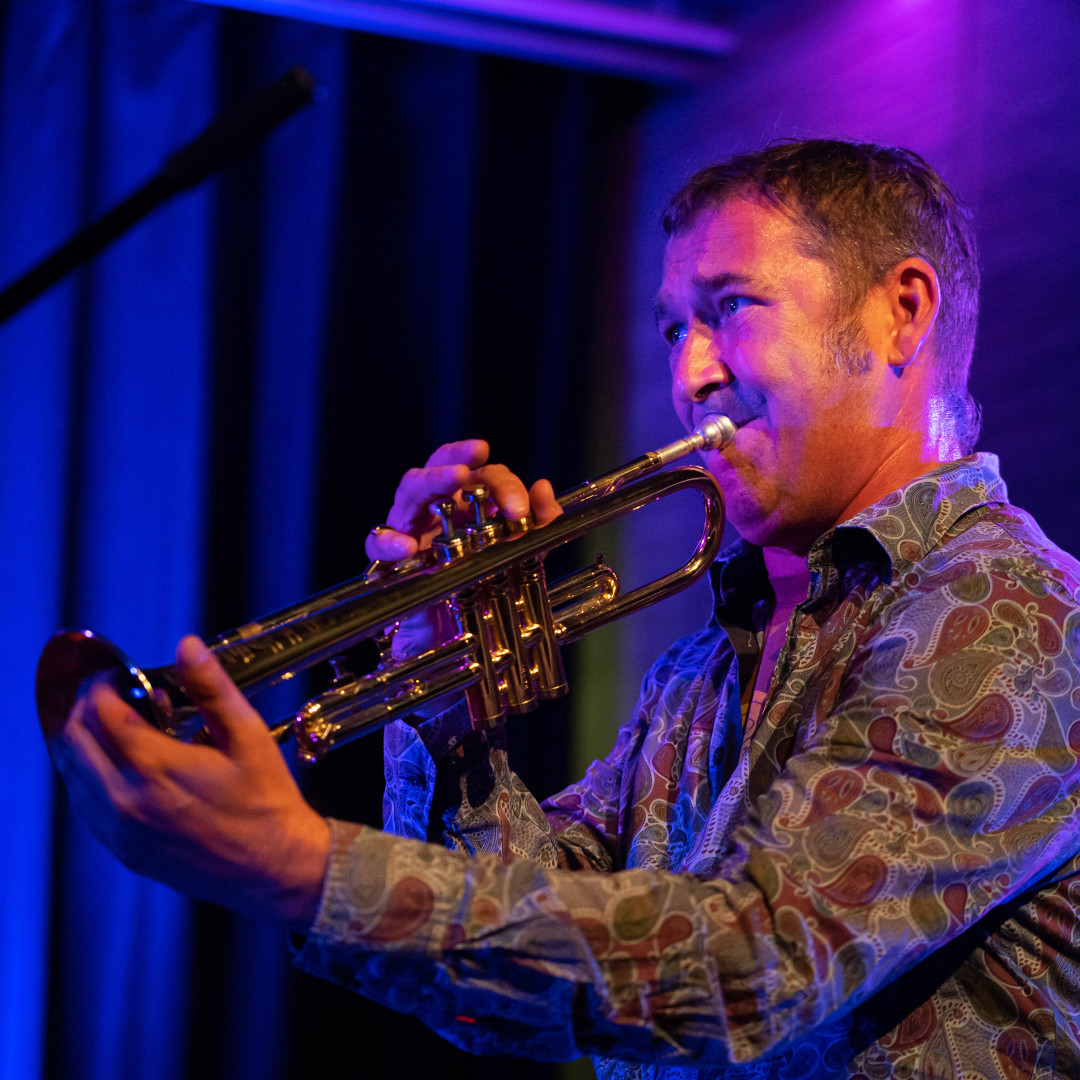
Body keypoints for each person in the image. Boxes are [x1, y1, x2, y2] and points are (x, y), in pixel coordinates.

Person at [49, 140, 1080, 1078]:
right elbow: (529, 981)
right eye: (674, 326)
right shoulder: (700, 670)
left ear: (899, 312)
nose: (689, 373)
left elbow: (751, 965)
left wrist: (303, 867)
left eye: (731, 308)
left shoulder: (1009, 612)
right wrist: (449, 701)